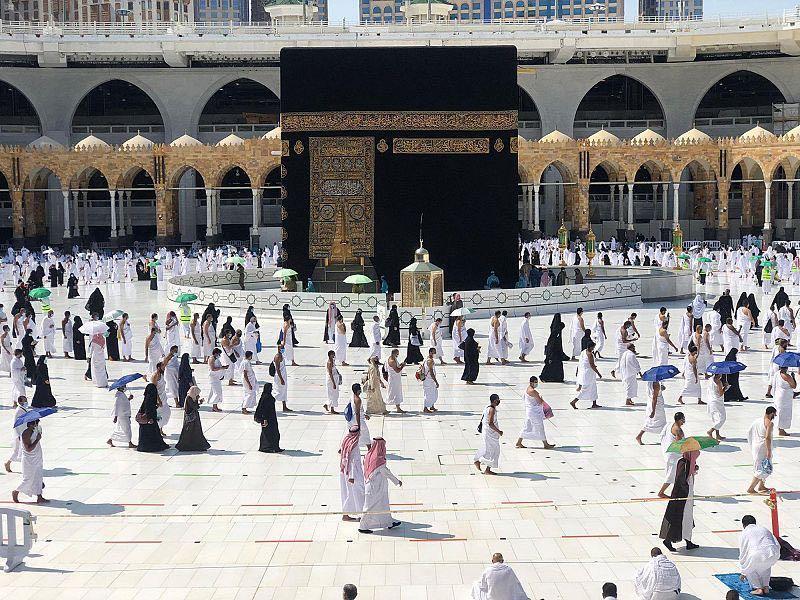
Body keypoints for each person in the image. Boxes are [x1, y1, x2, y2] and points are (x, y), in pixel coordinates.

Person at [358, 437, 402, 534]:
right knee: (370, 507)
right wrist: (397, 481)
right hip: (375, 488)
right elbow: (386, 473)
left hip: (374, 486)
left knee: (383, 505)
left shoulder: (367, 456)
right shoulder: (379, 460)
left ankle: (388, 523)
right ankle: (363, 526)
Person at [659, 449, 700, 552]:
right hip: (682, 497)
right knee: (679, 519)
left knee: (687, 519)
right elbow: (680, 479)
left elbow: (688, 476)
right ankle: (668, 540)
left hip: (687, 497)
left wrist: (694, 469)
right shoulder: (684, 463)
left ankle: (688, 541)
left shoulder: (689, 463)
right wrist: (686, 490)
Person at [738, 515, 781, 596]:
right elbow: (775, 542)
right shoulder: (764, 529)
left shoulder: (744, 533)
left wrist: (744, 571)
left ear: (743, 525)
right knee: (766, 565)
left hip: (757, 553)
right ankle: (766, 586)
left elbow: (743, 551)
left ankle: (758, 588)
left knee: (750, 567)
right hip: (773, 553)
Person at [12, 418, 47, 504]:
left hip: (37, 458)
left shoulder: (35, 430)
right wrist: (37, 439)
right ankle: (16, 491)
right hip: (29, 461)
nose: (37, 425)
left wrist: (38, 435)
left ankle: (39, 496)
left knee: (38, 477)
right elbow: (28, 449)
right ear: (31, 424)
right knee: (28, 479)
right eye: (36, 424)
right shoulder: (26, 433)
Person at [517, 376, 554, 449]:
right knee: (540, 427)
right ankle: (545, 444)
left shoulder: (528, 389)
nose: (536, 384)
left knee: (527, 427)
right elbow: (540, 401)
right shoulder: (533, 391)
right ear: (531, 382)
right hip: (534, 412)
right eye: (535, 382)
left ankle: (519, 442)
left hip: (530, 411)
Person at [339, 425, 366, 522]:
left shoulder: (347, 439)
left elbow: (342, 451)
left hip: (345, 471)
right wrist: (352, 476)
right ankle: (350, 514)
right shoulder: (354, 445)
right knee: (356, 493)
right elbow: (353, 462)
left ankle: (356, 514)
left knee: (350, 493)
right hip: (353, 474)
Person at [747, 407, 776, 495]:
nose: (775, 416)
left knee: (765, 466)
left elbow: (749, 432)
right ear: (771, 414)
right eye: (774, 414)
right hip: (763, 447)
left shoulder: (757, 421)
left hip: (757, 446)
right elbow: (767, 437)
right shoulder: (770, 424)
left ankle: (761, 486)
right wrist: (769, 450)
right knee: (761, 468)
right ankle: (751, 488)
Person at [175, 386, 210, 452]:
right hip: (190, 420)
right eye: (197, 394)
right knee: (188, 432)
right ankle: (184, 446)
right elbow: (195, 406)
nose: (198, 395)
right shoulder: (189, 398)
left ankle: (198, 445)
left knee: (196, 432)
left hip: (194, 419)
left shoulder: (192, 398)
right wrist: (197, 401)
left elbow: (195, 406)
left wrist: (198, 401)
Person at [136, 383, 169, 452]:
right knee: (152, 433)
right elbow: (149, 409)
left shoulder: (147, 397)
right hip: (150, 420)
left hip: (147, 421)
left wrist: (156, 406)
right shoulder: (150, 398)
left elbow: (149, 408)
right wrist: (150, 418)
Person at [474, 394, 502, 475]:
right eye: (497, 399)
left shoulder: (488, 407)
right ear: (494, 400)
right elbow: (490, 423)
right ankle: (481, 463)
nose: (498, 401)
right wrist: (499, 431)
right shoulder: (491, 410)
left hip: (489, 433)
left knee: (490, 449)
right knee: (493, 450)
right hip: (490, 433)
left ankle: (484, 466)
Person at [659, 412, 685, 499]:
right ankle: (661, 492)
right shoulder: (678, 430)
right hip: (674, 456)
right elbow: (678, 443)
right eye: (682, 420)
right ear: (679, 420)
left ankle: (679, 491)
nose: (684, 422)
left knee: (677, 474)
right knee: (671, 475)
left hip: (670, 453)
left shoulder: (671, 424)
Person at [571, 340, 601, 409]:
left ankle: (594, 403)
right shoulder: (589, 354)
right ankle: (574, 401)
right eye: (593, 347)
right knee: (585, 389)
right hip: (588, 374)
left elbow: (580, 363)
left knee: (593, 388)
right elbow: (592, 365)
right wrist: (598, 373)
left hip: (585, 372)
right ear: (590, 347)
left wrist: (577, 371)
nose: (594, 348)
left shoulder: (583, 352)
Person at [636, 380, 667, 445]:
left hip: (650, 404)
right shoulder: (656, 384)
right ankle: (666, 439)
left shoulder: (650, 382)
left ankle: (665, 438)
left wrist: (661, 388)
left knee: (651, 422)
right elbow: (654, 398)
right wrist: (653, 411)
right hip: (656, 407)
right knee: (659, 422)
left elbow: (654, 392)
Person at [254, 383, 282, 453]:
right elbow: (264, 409)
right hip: (267, 419)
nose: (272, 389)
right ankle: (267, 447)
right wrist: (265, 419)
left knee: (273, 433)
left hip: (271, 418)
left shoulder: (265, 396)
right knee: (268, 433)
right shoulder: (266, 398)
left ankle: (274, 447)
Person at [540, 314, 569, 383]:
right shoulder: (555, 333)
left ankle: (557, 378)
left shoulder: (556, 331)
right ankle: (544, 377)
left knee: (557, 365)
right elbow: (551, 345)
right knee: (551, 365)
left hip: (556, 352)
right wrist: (549, 356)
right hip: (553, 353)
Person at [346, 383, 371, 449]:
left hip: (351, 419)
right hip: (357, 420)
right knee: (365, 433)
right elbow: (357, 413)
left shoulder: (352, 396)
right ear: (358, 391)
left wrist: (364, 415)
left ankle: (343, 448)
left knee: (351, 435)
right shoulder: (358, 400)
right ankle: (370, 449)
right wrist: (359, 426)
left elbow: (355, 409)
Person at [774, 365, 795, 436]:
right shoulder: (787, 376)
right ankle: (781, 430)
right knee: (784, 413)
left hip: (778, 395)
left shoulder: (777, 374)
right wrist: (793, 377)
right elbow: (794, 386)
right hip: (785, 397)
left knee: (779, 412)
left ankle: (780, 429)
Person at [706, 372, 727, 441]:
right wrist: (725, 387)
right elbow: (720, 393)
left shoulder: (710, 379)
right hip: (717, 402)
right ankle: (710, 431)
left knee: (716, 418)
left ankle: (717, 435)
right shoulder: (718, 382)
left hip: (711, 401)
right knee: (722, 418)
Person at [386, 349, 406, 413]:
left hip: (395, 379)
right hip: (394, 380)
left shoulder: (392, 358)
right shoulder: (392, 361)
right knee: (395, 393)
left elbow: (396, 367)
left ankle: (398, 406)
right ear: (394, 354)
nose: (398, 355)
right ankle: (398, 408)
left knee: (397, 392)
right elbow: (397, 370)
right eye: (397, 354)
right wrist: (402, 366)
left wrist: (400, 365)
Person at [207, 347, 226, 412]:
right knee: (217, 392)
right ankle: (214, 407)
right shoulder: (211, 359)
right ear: (215, 353)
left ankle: (215, 406)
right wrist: (222, 368)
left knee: (217, 391)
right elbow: (213, 368)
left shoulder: (216, 358)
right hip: (213, 378)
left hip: (217, 377)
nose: (219, 355)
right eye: (218, 354)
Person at [271, 347, 290, 412]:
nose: (283, 349)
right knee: (278, 392)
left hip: (283, 376)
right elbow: (277, 369)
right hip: (279, 377)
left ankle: (284, 407)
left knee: (284, 391)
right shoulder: (277, 357)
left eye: (283, 348)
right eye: (281, 348)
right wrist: (281, 379)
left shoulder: (282, 355)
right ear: (278, 349)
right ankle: (270, 404)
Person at [421, 347, 439, 413]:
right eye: (434, 352)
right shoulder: (430, 361)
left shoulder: (427, 359)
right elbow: (431, 373)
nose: (435, 353)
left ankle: (432, 406)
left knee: (434, 393)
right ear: (430, 352)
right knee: (428, 394)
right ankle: (425, 408)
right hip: (429, 380)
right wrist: (436, 381)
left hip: (429, 380)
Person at [324, 349, 342, 414]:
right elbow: (330, 373)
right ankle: (332, 409)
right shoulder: (329, 363)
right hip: (331, 380)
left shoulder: (333, 361)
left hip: (335, 379)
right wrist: (333, 383)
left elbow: (335, 369)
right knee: (332, 394)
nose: (334, 355)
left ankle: (327, 404)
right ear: (329, 355)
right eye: (332, 354)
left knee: (335, 394)